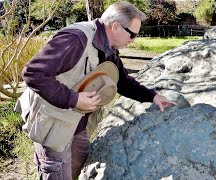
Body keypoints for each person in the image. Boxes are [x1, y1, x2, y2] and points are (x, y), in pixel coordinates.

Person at [20, 1, 176, 179]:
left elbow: (122, 81)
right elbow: (33, 73)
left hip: (76, 123)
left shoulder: (109, 47)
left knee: (80, 159)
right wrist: (74, 99)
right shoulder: (75, 39)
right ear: (116, 26)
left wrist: (153, 96)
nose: (133, 40)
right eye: (132, 34)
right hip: (51, 122)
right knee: (57, 171)